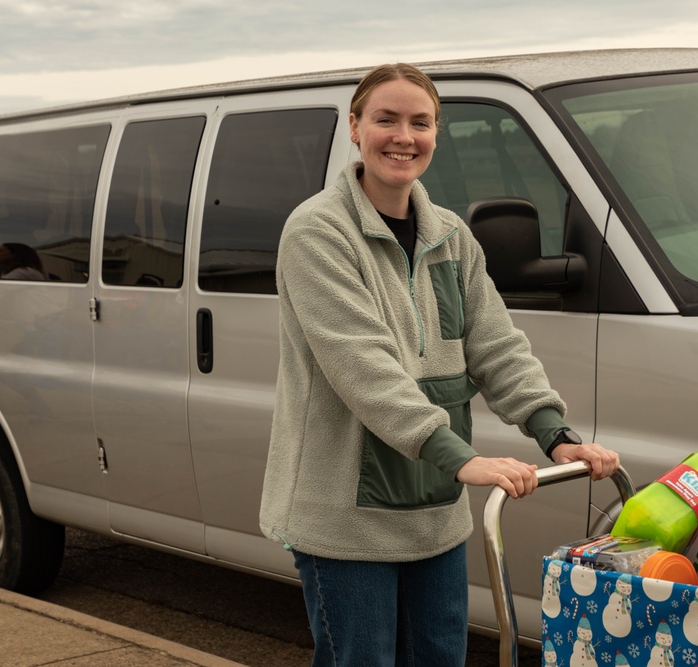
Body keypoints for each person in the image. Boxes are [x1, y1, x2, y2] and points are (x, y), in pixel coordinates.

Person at [258, 63, 620, 667]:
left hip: (436, 515)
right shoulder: (317, 233)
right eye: (386, 119)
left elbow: (496, 345)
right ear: (355, 127)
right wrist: (465, 459)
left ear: (435, 134)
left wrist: (555, 435)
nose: (404, 136)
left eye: (420, 122)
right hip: (347, 523)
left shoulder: (450, 236)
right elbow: (366, 372)